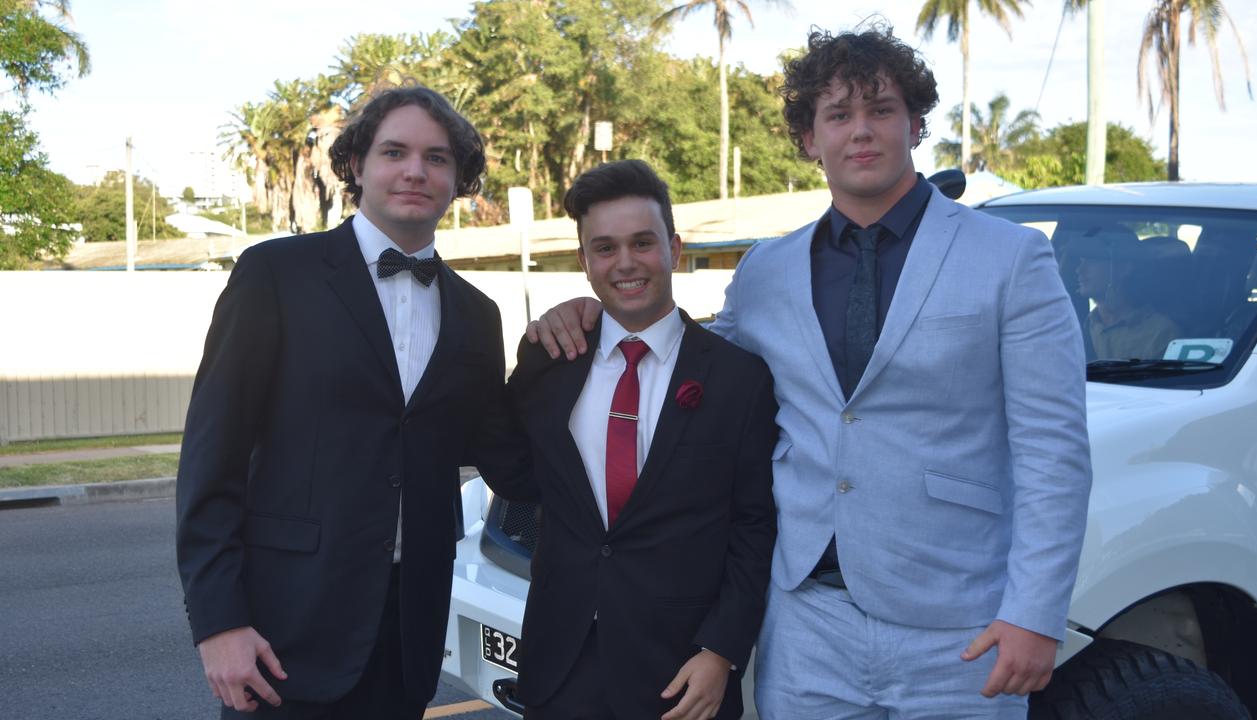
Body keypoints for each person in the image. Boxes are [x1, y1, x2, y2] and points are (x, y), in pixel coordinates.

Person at [528, 24, 1091, 719]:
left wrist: (1035, 613)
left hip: (959, 625)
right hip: (805, 627)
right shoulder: (767, 270)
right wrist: (590, 309)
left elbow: (1053, 452)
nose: (861, 131)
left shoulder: (1011, 259)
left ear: (915, 124)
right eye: (838, 114)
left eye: (881, 109)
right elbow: (684, 359)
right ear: (807, 138)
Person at [175, 85, 518, 719]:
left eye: (438, 158)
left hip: (408, 639)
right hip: (282, 637)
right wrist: (218, 623)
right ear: (357, 166)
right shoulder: (275, 275)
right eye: (395, 151)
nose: (415, 171)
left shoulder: (478, 314)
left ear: (459, 178)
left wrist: (579, 343)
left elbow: (509, 459)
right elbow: (210, 460)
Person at [497, 159, 778, 720]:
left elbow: (755, 526)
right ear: (583, 261)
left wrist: (721, 649)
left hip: (681, 673)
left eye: (642, 243)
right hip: (560, 664)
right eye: (604, 248)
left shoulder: (739, 378)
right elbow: (512, 471)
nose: (624, 263)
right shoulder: (551, 356)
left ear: (673, 250)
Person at [1073, 226, 1179, 360]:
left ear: (1123, 268)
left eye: (1092, 260)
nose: (1080, 270)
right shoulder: (1082, 326)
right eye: (1081, 261)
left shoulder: (1161, 333)